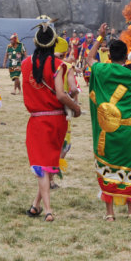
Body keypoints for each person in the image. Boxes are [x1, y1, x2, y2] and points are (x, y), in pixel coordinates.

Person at [86, 22, 131, 221]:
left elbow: (89, 59)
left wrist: (99, 37)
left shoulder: (100, 69)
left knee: (107, 168)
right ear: (126, 57)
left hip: (106, 133)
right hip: (128, 132)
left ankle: (110, 214)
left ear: (109, 56)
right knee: (129, 169)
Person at [22, 21, 81, 222]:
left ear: (35, 42)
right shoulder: (59, 65)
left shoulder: (25, 64)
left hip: (38, 121)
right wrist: (76, 107)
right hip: (57, 121)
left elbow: (59, 93)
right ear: (55, 43)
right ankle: (35, 206)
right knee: (47, 164)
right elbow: (62, 95)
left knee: (41, 165)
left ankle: (48, 210)